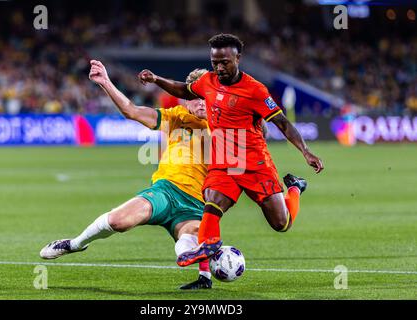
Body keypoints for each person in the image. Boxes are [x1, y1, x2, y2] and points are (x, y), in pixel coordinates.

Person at [138, 33, 324, 267]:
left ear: (238, 58)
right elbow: (183, 90)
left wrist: (306, 152)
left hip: (255, 164)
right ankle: (207, 244)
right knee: (212, 201)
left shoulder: (255, 90)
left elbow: (283, 123)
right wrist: (156, 79)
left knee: (281, 223)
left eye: (224, 62)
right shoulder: (208, 81)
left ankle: (295, 188)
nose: (219, 67)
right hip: (224, 163)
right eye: (215, 62)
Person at [40, 61, 213, 290]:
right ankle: (74, 244)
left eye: (205, 97)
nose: (201, 103)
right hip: (166, 192)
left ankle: (205, 278)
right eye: (195, 97)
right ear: (185, 97)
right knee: (117, 222)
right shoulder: (176, 117)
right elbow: (131, 110)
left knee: (188, 244)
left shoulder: (225, 126)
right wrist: (105, 82)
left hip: (195, 205)